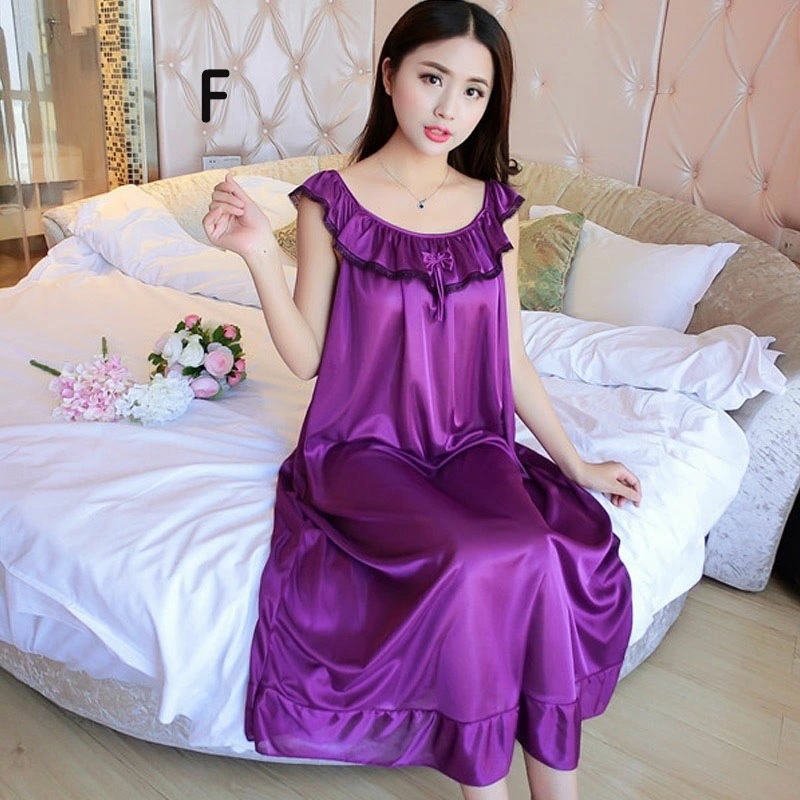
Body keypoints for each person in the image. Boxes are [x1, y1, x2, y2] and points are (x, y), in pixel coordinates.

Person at [203, 2, 642, 798]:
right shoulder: (329, 201)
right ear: (389, 75)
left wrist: (575, 464)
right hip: (362, 450)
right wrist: (257, 256)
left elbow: (510, 357)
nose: (449, 108)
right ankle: (485, 787)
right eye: (432, 78)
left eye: (474, 91)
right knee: (474, 557)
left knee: (535, 550)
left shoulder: (496, 208)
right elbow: (306, 358)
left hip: (471, 445)